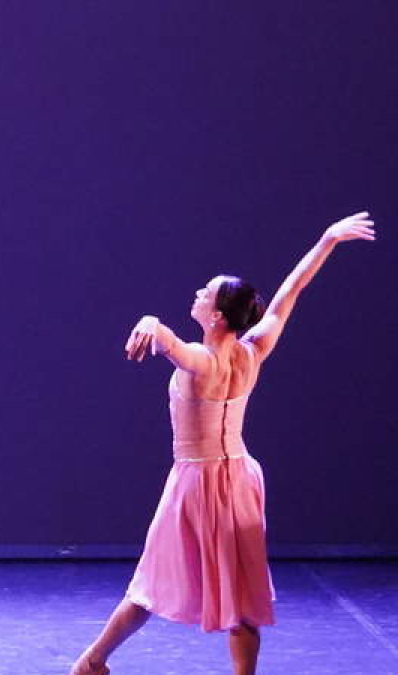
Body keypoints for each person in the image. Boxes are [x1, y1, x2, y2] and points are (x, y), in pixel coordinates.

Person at [69, 212, 376, 675]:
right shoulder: (253, 350)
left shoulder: (204, 362)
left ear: (215, 315)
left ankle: (91, 663)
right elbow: (289, 294)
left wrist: (153, 321)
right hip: (240, 479)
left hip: (196, 482)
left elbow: (175, 346)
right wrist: (327, 241)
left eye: (204, 293)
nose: (196, 294)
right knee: (242, 592)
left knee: (152, 582)